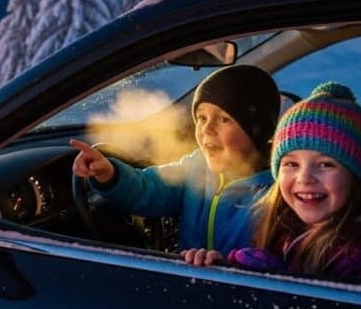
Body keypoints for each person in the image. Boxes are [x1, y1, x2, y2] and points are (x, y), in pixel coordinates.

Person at [183, 82, 361, 283]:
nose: (304, 178)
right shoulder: (281, 224)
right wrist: (219, 265)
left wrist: (279, 279)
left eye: (325, 164)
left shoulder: (360, 256)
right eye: (291, 164)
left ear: (356, 174)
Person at [71, 64, 280, 253]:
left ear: (257, 130)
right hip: (183, 281)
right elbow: (148, 189)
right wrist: (110, 175)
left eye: (224, 119)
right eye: (201, 117)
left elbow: (273, 263)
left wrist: (225, 266)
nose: (207, 129)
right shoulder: (196, 167)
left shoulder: (275, 193)